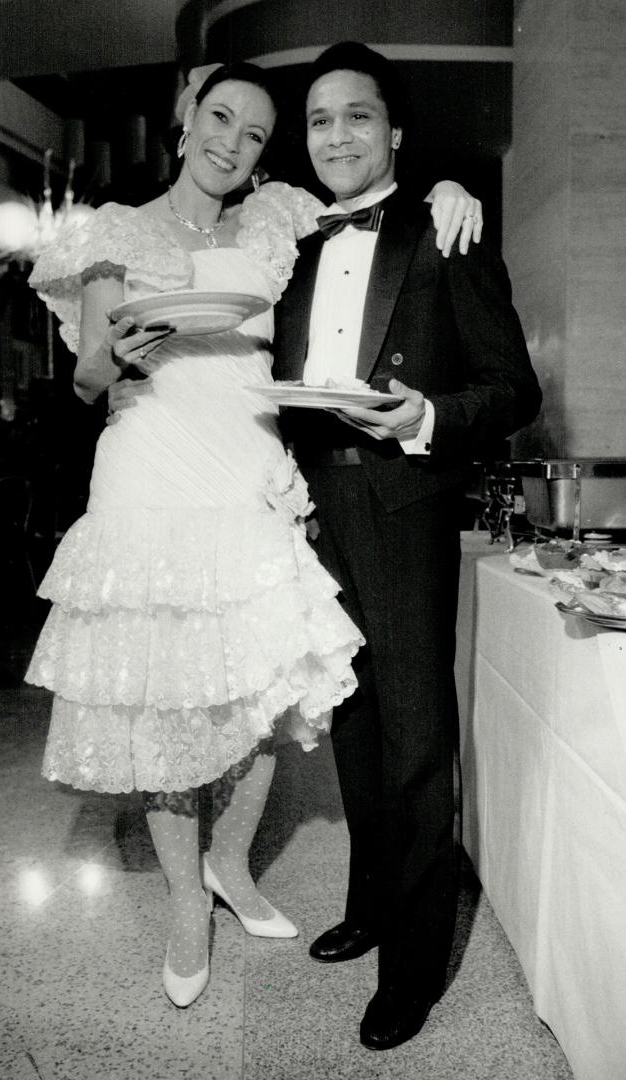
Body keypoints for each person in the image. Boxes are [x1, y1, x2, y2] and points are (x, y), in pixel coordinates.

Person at [26, 60, 482, 1012]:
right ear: (185, 120)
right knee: (167, 698)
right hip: (152, 468)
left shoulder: (279, 218)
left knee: (264, 693)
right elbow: (86, 378)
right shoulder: (117, 228)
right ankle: (188, 907)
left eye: (256, 133)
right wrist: (122, 352)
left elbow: (376, 204)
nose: (234, 144)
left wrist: (445, 183)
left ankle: (232, 864)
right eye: (220, 120)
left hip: (251, 472)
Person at [271, 42, 543, 1051]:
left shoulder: (444, 231)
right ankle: (374, 902)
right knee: (351, 721)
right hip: (314, 513)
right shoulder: (296, 246)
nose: (334, 135)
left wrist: (428, 413)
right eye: (318, 121)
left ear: (393, 130)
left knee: (417, 738)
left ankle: (414, 965)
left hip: (406, 500)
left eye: (355, 116)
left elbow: (513, 390)